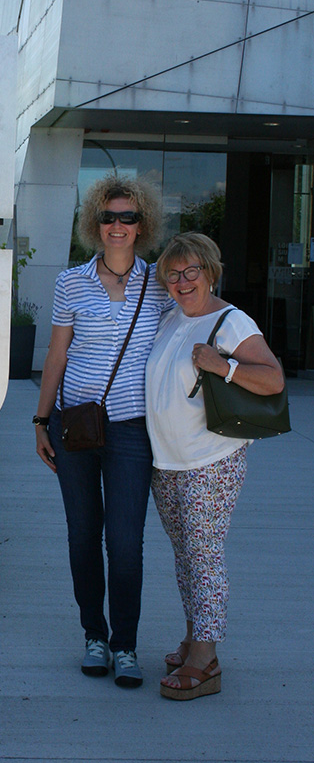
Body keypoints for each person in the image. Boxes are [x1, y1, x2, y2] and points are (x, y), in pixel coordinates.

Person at [34, 174, 171, 688]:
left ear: (142, 225)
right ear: (96, 223)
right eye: (108, 217)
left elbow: (196, 321)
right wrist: (41, 420)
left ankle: (126, 645)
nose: (117, 226)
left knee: (126, 541)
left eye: (127, 217)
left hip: (133, 431)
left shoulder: (160, 282)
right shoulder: (71, 282)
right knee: (83, 535)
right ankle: (95, 635)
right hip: (75, 426)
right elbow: (56, 354)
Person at [145, 232, 284, 700]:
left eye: (192, 272)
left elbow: (273, 379)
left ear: (210, 272)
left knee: (205, 557)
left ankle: (206, 659)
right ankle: (192, 637)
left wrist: (223, 366)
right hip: (167, 462)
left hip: (210, 460)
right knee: (186, 556)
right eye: (173, 274)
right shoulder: (171, 317)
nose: (182, 282)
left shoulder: (230, 322)